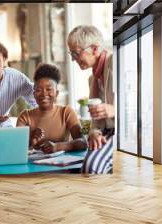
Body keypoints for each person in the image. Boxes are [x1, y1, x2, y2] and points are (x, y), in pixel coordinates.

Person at [67, 25, 114, 174]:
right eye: (71, 54)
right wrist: (94, 131)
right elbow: (97, 119)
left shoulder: (115, 62)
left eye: (76, 53)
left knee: (91, 168)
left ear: (94, 49)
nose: (73, 59)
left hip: (122, 133)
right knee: (84, 167)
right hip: (106, 132)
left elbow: (137, 102)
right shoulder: (92, 78)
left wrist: (113, 110)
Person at [16, 63, 87, 154]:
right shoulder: (25, 116)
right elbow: (17, 148)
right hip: (34, 165)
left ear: (56, 93)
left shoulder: (66, 112)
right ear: (33, 94)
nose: (44, 94)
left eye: (49, 89)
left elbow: (83, 142)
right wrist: (31, 141)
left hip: (63, 163)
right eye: (38, 90)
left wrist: (58, 146)